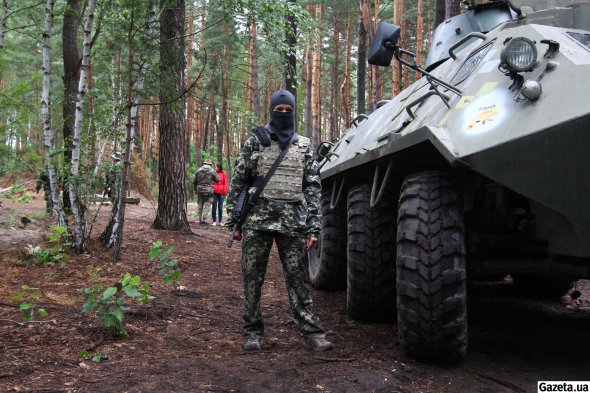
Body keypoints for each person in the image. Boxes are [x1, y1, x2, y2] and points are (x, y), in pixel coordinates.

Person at [226, 89, 334, 352]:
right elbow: (239, 180)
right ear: (271, 110)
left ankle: (311, 333)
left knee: (298, 281)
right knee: (252, 280)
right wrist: (234, 222)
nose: (283, 114)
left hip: (293, 224)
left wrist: (314, 226)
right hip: (256, 222)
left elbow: (312, 188)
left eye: (288, 110)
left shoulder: (304, 145)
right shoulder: (256, 141)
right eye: (279, 110)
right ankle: (252, 332)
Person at [193, 160, 219, 225]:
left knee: (200, 204)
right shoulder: (212, 171)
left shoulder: (198, 170)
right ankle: (203, 220)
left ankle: (200, 220)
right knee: (207, 205)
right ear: (210, 164)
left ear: (204, 163)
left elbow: (194, 182)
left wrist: (195, 190)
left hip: (199, 190)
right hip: (209, 190)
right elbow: (217, 180)